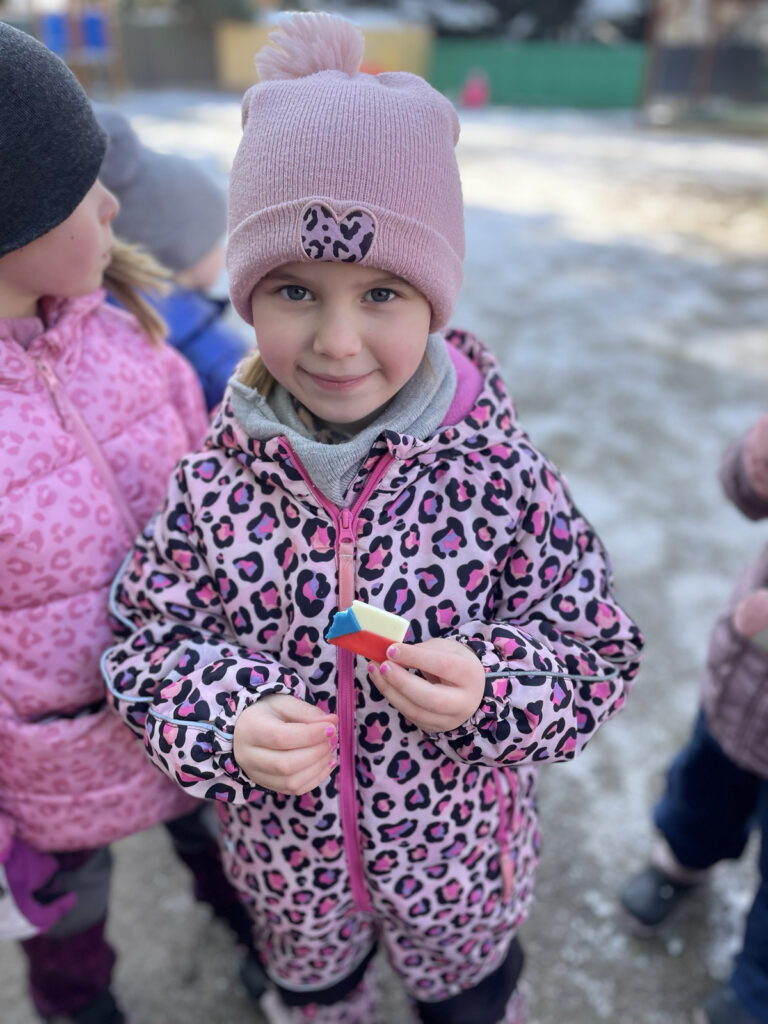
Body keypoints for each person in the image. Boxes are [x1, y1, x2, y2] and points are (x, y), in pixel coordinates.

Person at [101, 12, 644, 1024]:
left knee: (472, 1004)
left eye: (383, 292)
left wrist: (495, 685)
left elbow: (596, 652)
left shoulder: (501, 479)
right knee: (320, 1003)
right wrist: (226, 717)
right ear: (246, 294)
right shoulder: (212, 487)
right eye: (295, 289)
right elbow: (145, 646)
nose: (338, 340)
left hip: (461, 878)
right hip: (292, 885)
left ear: (435, 300)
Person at [0, 23, 262, 1024]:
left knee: (226, 854)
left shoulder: (133, 335)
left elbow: (216, 504)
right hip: (49, 767)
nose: (114, 204)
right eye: (84, 188)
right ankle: (80, 1008)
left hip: (191, 706)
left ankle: (260, 938)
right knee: (68, 923)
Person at [620, 413, 768, 1024]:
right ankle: (682, 859)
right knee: (703, 788)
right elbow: (747, 497)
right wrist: (753, 466)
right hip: (744, 685)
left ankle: (756, 988)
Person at [93, 103, 250, 412]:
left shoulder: (104, 312)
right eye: (215, 239)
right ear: (177, 252)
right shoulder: (208, 341)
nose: (223, 252)